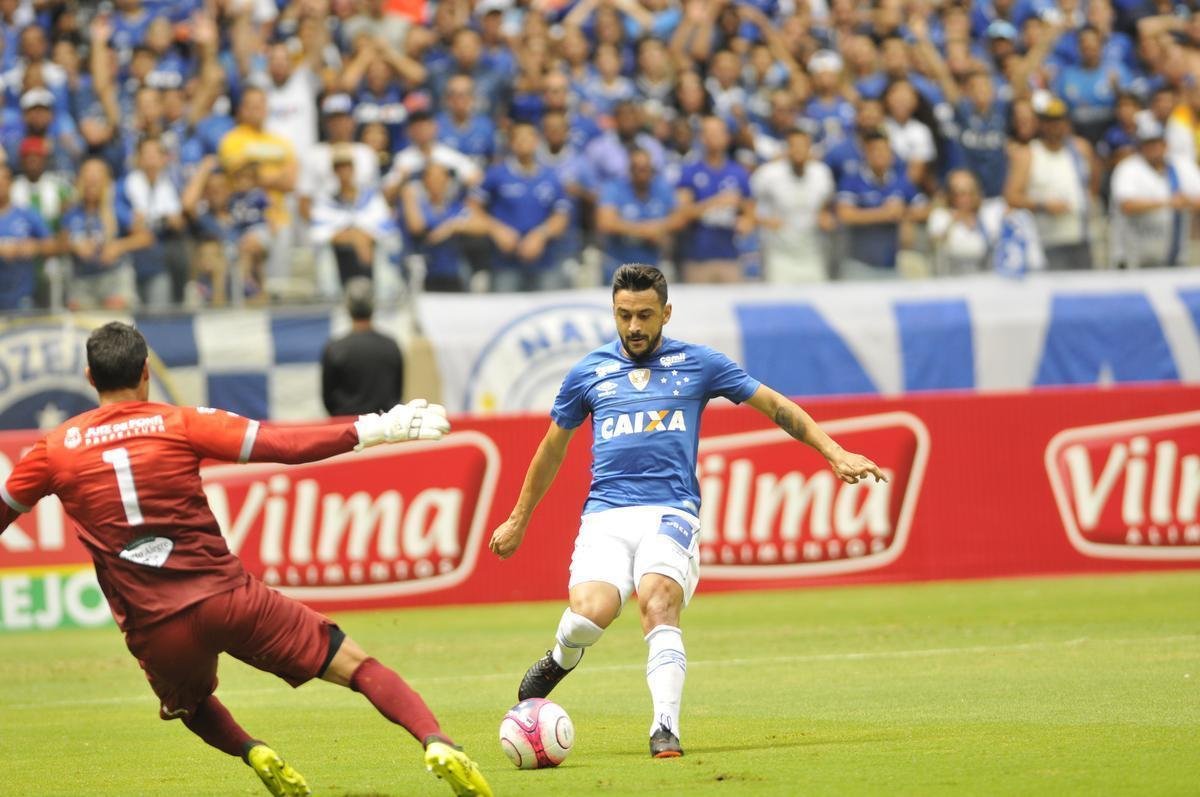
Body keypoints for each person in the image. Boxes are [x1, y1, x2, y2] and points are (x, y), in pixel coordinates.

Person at [0, 321, 490, 797]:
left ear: (90, 377)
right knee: (357, 666)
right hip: (228, 599)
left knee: (190, 706)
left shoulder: (54, 449)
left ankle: (253, 751)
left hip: (156, 627)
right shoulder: (181, 422)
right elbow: (284, 446)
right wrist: (376, 427)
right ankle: (437, 741)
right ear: (146, 371)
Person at [488, 264, 885, 759]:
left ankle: (664, 727)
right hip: (606, 515)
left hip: (670, 510)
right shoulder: (588, 372)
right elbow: (551, 450)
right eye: (624, 315)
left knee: (657, 601)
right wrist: (518, 517)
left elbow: (775, 406)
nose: (634, 327)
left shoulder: (700, 364)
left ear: (666, 313)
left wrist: (835, 452)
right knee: (590, 615)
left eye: (645, 315)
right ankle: (560, 657)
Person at [1109, 112, 1200, 268]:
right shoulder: (1129, 168)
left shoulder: (1181, 166)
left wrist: (1188, 201)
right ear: (1140, 146)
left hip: (1174, 258)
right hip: (1134, 260)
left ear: (1165, 144)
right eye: (1148, 144)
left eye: (1157, 143)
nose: (1153, 148)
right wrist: (1168, 203)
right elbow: (1127, 205)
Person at [750, 127, 836, 283]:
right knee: (780, 303)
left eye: (803, 146)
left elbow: (827, 206)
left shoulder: (822, 173)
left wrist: (825, 217)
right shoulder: (768, 174)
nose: (798, 151)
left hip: (813, 252)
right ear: (787, 149)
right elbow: (745, 204)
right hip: (779, 254)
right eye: (794, 146)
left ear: (810, 149)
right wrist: (763, 220)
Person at [321, 278, 405, 417]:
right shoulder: (390, 345)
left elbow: (328, 399)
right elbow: (397, 392)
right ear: (373, 306)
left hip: (349, 427)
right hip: (384, 427)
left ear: (347, 307)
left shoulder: (335, 348)